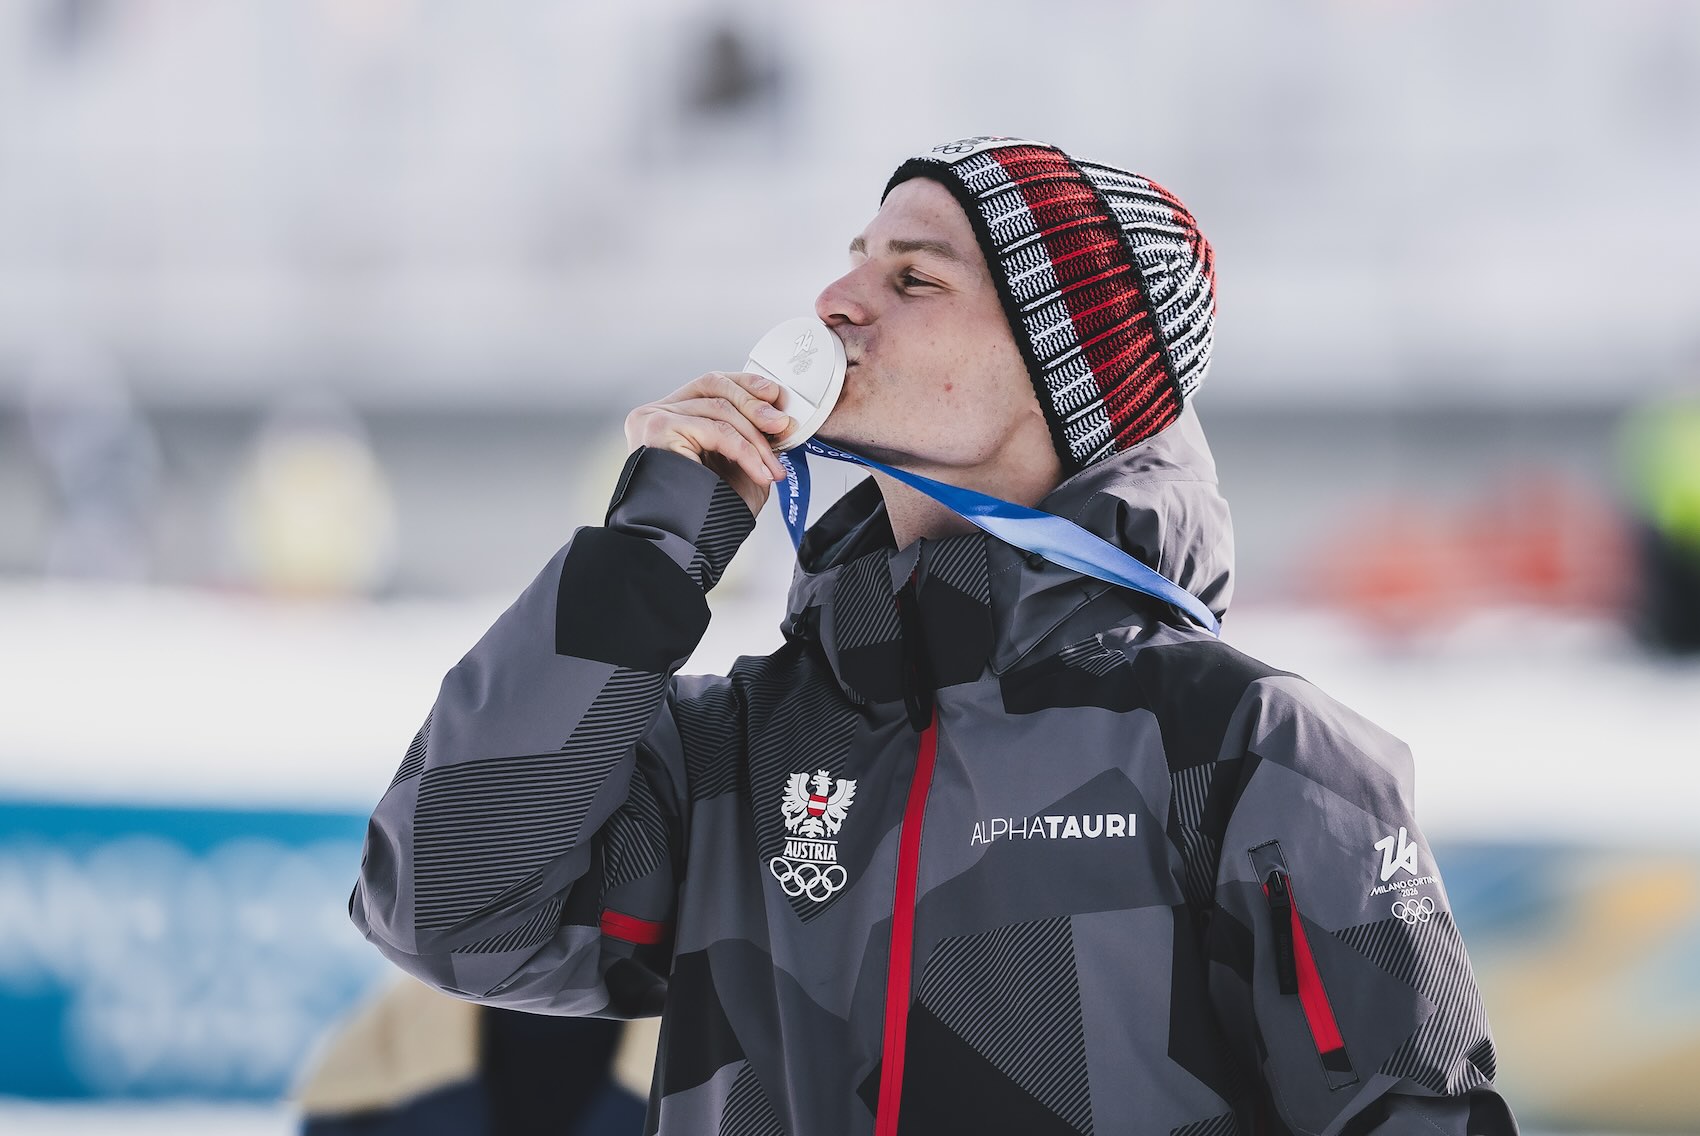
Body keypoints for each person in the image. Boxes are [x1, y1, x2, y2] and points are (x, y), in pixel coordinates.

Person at [352, 137, 1517, 1135]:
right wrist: (650, 551)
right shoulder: (732, 750)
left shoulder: (1249, 746)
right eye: (853, 259)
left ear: (1064, 373)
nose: (834, 300)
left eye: (912, 276)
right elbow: (447, 909)